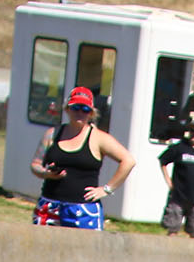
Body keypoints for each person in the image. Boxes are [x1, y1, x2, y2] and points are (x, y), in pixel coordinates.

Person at [30, 86, 135, 230]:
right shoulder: (52, 134)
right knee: (43, 244)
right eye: (75, 108)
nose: (80, 113)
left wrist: (106, 189)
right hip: (49, 207)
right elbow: (35, 164)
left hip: (84, 211)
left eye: (85, 109)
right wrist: (45, 173)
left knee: (86, 245)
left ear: (91, 113)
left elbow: (128, 161)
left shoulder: (99, 138)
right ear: (67, 109)